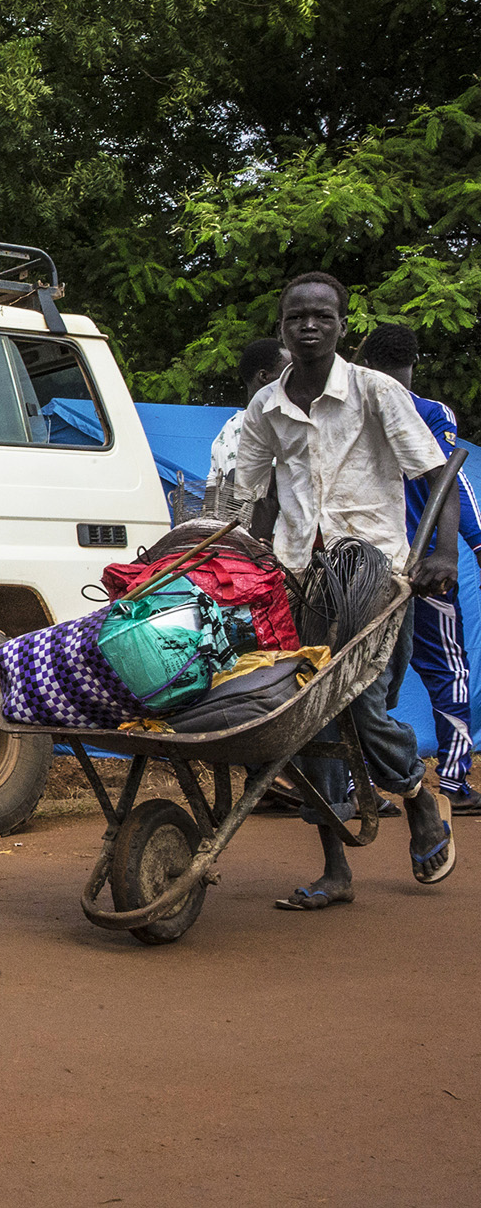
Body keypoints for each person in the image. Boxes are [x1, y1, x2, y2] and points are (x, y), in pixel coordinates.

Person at [233, 272, 460, 911]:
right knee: (307, 715)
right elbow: (251, 494)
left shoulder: (375, 391)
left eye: (322, 316)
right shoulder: (266, 408)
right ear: (282, 327)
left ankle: (415, 795)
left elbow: (435, 468)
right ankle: (336, 868)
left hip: (376, 574)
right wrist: (244, 566)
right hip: (300, 579)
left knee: (358, 703)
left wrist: (443, 549)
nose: (309, 326)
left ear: (340, 324)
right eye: (296, 317)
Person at [359, 322, 481, 814]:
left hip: (360, 571)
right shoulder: (430, 413)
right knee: (447, 670)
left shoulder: (351, 415)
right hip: (426, 566)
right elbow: (452, 485)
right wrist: (463, 546)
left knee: (356, 674)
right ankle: (452, 780)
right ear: (413, 364)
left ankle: (359, 782)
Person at [206, 337, 287, 502]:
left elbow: (210, 497)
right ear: (264, 377)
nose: (296, 381)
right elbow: (260, 493)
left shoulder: (226, 433)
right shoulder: (254, 426)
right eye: (287, 375)